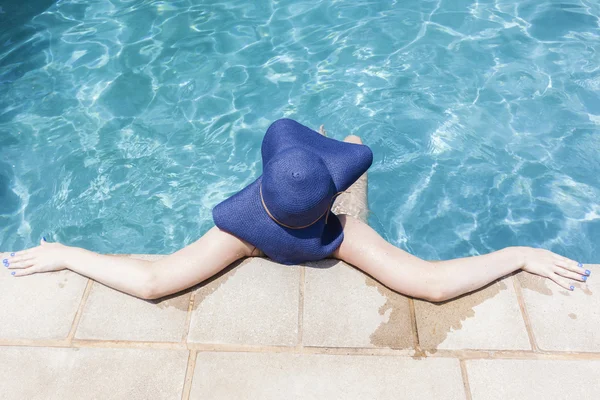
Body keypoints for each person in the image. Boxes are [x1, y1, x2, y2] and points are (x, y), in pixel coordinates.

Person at [1, 119, 591, 302]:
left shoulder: (236, 229)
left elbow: (153, 281)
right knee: (352, 204)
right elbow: (432, 285)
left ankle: (317, 163)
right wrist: (521, 253)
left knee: (312, 185)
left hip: (271, 224)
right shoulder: (343, 237)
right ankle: (328, 161)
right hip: (321, 230)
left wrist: (66, 255)